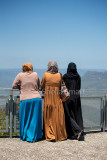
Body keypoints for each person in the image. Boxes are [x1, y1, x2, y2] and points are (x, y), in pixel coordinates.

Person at [12, 62, 42, 142]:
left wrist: (21, 88)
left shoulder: (20, 75)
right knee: (35, 118)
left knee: (25, 117)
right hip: (36, 99)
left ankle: (26, 135)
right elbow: (39, 86)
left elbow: (13, 85)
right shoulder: (35, 74)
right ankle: (36, 135)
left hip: (25, 99)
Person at [41, 60, 67, 142]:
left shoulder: (45, 75)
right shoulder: (59, 75)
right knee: (57, 116)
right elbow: (61, 86)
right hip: (57, 98)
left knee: (49, 116)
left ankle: (50, 134)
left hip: (48, 98)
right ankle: (59, 134)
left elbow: (41, 86)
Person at [63, 62, 84, 140]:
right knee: (76, 114)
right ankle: (79, 130)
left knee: (68, 115)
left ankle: (74, 133)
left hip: (68, 98)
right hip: (76, 97)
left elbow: (63, 87)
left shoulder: (65, 76)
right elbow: (79, 87)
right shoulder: (78, 76)